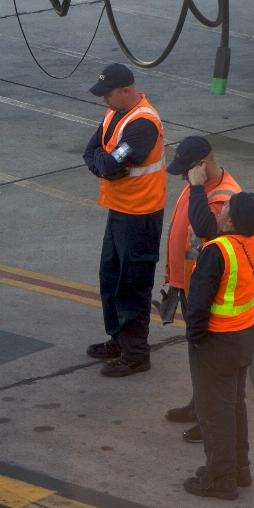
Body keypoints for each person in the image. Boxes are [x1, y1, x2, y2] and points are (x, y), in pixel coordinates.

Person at [82, 64, 167, 377]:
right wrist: (104, 164)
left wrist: (103, 164)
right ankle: (118, 339)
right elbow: (93, 153)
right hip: (119, 209)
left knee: (133, 284)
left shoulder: (142, 123)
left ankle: (136, 354)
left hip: (141, 214)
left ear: (126, 90)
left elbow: (109, 163)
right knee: (111, 277)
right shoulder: (114, 114)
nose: (104, 99)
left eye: (108, 94)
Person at [183, 192, 254, 501]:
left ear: (230, 220)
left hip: (217, 342)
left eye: (226, 206)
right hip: (244, 336)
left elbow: (199, 304)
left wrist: (194, 338)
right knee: (234, 406)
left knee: (214, 413)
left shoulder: (216, 251)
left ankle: (220, 479)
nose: (220, 209)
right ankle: (238, 470)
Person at [159, 136, 241, 444]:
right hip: (189, 283)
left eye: (186, 171)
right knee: (197, 354)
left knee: (206, 356)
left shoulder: (223, 196)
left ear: (201, 166)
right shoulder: (199, 185)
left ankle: (207, 420)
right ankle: (199, 406)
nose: (182, 176)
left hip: (204, 291)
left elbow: (206, 229)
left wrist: (194, 186)